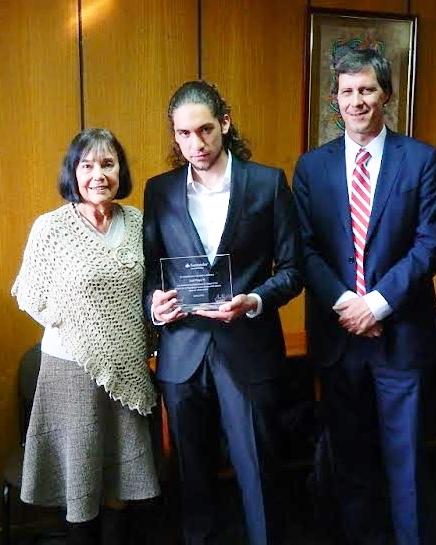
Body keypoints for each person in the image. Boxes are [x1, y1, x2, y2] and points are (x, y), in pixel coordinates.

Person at [292, 49, 436, 545]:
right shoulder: (311, 168)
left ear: (386, 96)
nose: (357, 101)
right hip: (340, 339)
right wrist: (347, 305)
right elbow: (305, 249)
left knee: (405, 462)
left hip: (400, 336)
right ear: (334, 101)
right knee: (351, 461)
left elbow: (430, 245)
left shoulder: (421, 160)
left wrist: (376, 304)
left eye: (367, 90)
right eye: (347, 92)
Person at [143, 80, 302, 545]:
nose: (196, 144)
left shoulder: (268, 182)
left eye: (205, 130)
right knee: (191, 477)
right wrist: (156, 304)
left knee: (258, 469)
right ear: (174, 136)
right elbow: (152, 272)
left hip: (248, 347)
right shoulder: (160, 191)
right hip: (182, 352)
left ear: (225, 124)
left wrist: (254, 301)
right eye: (184, 134)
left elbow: (293, 269)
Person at [12, 128, 160, 545]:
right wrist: (80, 324)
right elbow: (30, 292)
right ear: (73, 173)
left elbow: (149, 287)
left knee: (119, 487)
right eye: (87, 165)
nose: (98, 174)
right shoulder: (51, 228)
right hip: (69, 370)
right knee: (81, 485)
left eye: (108, 164)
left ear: (120, 171)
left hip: (127, 370)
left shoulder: (137, 223)